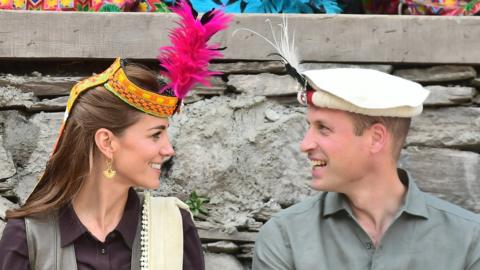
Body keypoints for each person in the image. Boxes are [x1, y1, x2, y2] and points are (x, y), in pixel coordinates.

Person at [0, 1, 231, 269]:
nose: (169, 150)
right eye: (156, 135)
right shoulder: (28, 238)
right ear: (107, 142)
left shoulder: (174, 226)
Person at [252, 67, 480, 270]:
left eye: (323, 129)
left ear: (376, 138)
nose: (305, 145)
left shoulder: (469, 240)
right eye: (309, 127)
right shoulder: (284, 238)